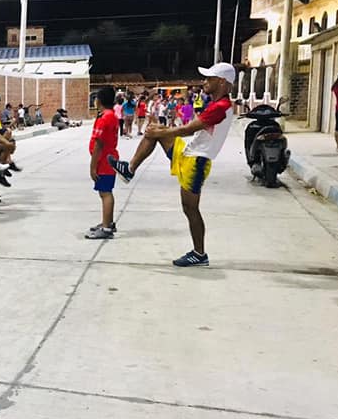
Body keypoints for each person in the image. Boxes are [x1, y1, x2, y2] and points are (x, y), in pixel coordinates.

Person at [109, 63, 236, 267]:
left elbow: (189, 129)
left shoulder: (221, 107)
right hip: (190, 154)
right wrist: (160, 130)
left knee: (190, 209)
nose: (204, 82)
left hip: (197, 162)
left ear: (222, 82)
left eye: (209, 79)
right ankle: (130, 169)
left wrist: (164, 132)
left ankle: (199, 254)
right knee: (153, 131)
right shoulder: (217, 104)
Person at [87, 86, 120, 239]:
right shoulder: (111, 116)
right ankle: (108, 222)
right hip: (109, 158)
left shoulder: (104, 118)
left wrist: (93, 166)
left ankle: (106, 229)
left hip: (104, 161)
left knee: (105, 193)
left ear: (99, 101)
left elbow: (98, 144)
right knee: (105, 192)